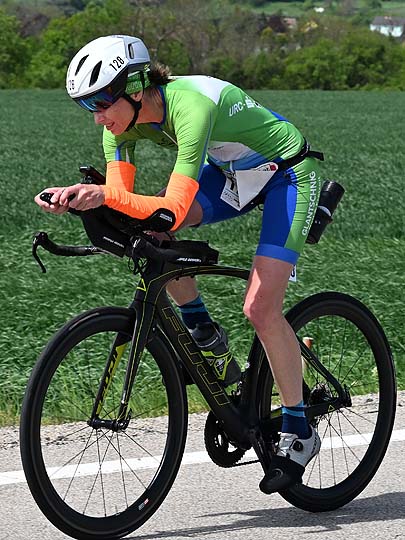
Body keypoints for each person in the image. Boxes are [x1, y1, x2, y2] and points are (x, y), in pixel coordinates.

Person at [35, 34, 323, 493]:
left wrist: (103, 196)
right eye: (87, 105)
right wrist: (80, 200)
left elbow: (171, 208)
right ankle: (207, 339)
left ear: (135, 88)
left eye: (101, 102)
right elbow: (125, 203)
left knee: (260, 307)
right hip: (232, 175)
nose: (97, 116)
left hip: (287, 175)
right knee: (151, 240)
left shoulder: (192, 105)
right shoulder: (118, 129)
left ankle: (298, 429)